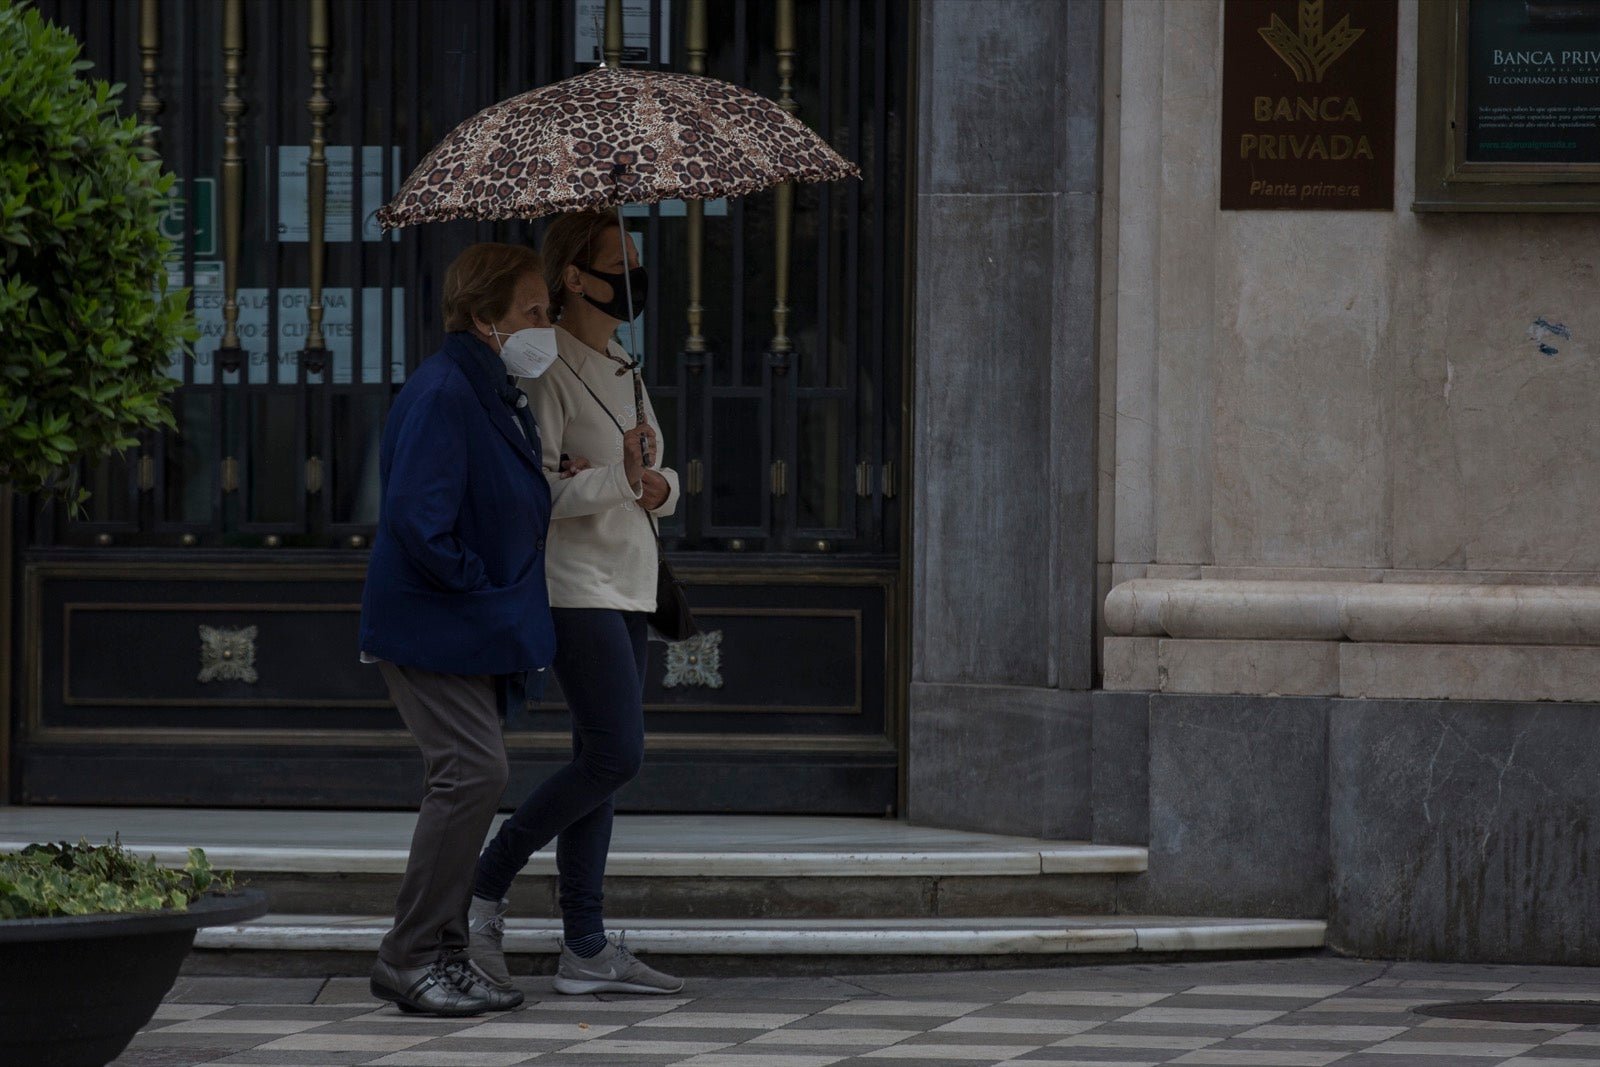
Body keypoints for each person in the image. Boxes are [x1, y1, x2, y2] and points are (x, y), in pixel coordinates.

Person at [466, 210, 683, 996]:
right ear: (574, 277)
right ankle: (487, 880)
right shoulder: (545, 365)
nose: (632, 274)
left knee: (602, 762)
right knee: (616, 753)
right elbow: (540, 492)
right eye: (618, 260)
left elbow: (658, 474)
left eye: (634, 259)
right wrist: (615, 479)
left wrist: (652, 482)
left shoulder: (623, 360)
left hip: (631, 581)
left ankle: (585, 946)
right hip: (575, 587)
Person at [359, 242, 560, 1016]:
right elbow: (418, 518)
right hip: (433, 626)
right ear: (484, 318)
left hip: (458, 627)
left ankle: (440, 952)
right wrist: (481, 592)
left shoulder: (489, 389)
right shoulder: (448, 389)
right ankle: (410, 954)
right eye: (532, 313)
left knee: (473, 773)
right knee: (473, 772)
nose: (545, 325)